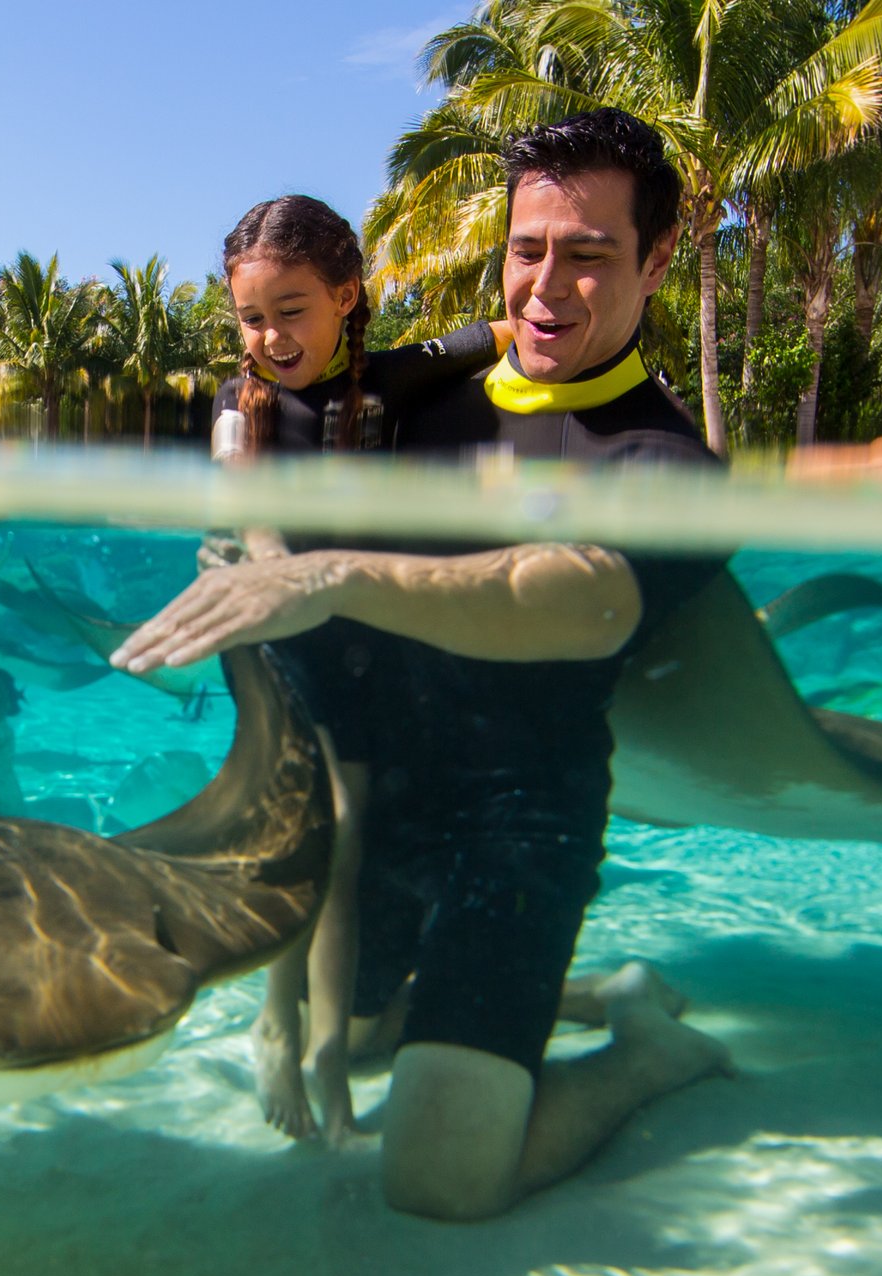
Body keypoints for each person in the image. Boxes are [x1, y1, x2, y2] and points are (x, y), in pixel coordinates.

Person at [118, 109, 732, 1222]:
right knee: (341, 1048)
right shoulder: (414, 403)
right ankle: (567, 995)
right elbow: (272, 449)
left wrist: (329, 575)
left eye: (588, 256)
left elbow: (580, 603)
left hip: (518, 819)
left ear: (655, 260)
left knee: (440, 1175)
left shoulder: (662, 457)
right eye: (527, 249)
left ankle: (647, 1050)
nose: (546, 286)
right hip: (385, 804)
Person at [201, 195, 508, 1149]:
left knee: (344, 848)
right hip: (279, 632)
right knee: (295, 834)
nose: (270, 336)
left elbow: (499, 331)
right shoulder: (235, 403)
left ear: (346, 297)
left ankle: (327, 1047)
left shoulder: (394, 381)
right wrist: (271, 569)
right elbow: (244, 505)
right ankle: (276, 1019)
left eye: (293, 310)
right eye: (252, 317)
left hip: (367, 645)